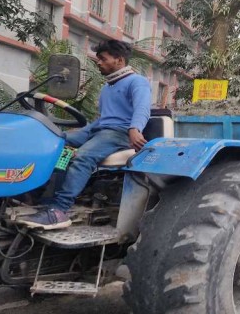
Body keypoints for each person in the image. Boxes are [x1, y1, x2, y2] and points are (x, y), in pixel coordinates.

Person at [16, 40, 152, 230]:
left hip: (120, 132)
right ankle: (39, 195)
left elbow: (143, 108)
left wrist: (134, 129)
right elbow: (105, 118)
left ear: (119, 60)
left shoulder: (137, 82)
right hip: (99, 129)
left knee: (82, 157)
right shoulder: (108, 87)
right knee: (56, 141)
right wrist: (82, 131)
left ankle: (59, 210)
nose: (99, 63)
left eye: (103, 59)